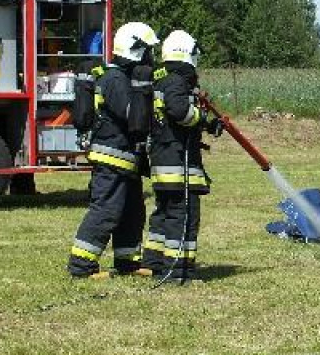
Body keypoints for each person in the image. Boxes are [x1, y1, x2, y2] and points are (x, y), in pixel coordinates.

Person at [67, 22, 159, 279]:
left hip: (126, 159)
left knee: (132, 212)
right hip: (112, 158)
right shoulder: (115, 80)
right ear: (136, 50)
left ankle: (128, 261)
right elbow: (132, 115)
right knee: (106, 211)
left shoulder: (122, 77)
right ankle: (82, 265)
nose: (151, 57)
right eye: (148, 50)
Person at [142, 30, 223, 281]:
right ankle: (177, 270)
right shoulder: (177, 81)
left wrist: (207, 124)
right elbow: (179, 112)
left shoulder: (162, 79)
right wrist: (202, 118)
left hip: (163, 160)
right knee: (184, 216)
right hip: (178, 162)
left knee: (164, 214)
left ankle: (154, 262)